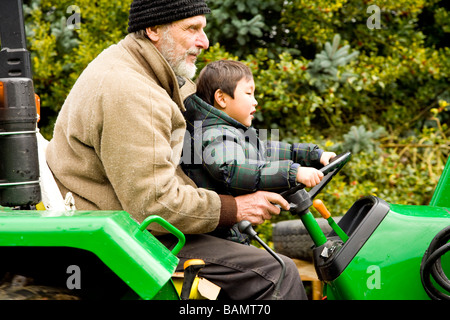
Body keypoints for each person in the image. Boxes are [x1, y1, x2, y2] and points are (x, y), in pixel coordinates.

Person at [46, 0, 306, 300]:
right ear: (153, 29)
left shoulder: (154, 73)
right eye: (192, 29)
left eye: (203, 29)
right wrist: (237, 208)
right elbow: (156, 204)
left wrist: (297, 160)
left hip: (132, 224)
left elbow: (217, 139)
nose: (204, 42)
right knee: (277, 273)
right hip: (130, 237)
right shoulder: (132, 92)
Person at [181, 60, 336, 244]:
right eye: (248, 93)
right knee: (283, 270)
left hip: (230, 235)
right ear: (221, 98)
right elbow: (231, 170)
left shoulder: (230, 131)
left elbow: (265, 151)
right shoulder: (215, 134)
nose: (255, 101)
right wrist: (293, 173)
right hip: (218, 238)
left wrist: (313, 155)